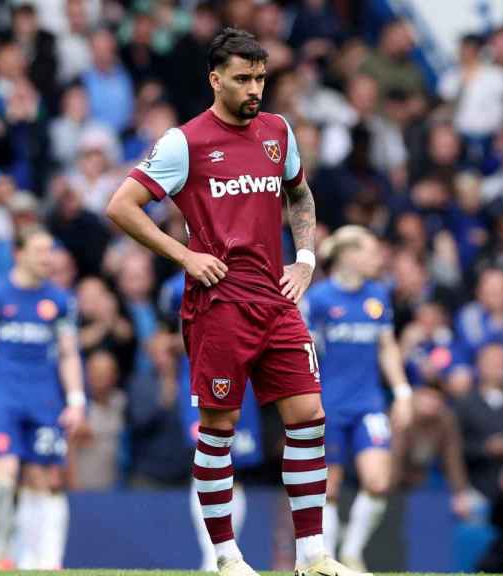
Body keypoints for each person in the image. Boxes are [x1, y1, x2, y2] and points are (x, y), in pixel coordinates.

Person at [105, 28, 362, 576]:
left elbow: (300, 192)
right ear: (215, 78)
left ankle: (313, 556)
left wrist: (307, 258)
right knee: (219, 430)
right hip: (218, 306)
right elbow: (121, 206)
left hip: (275, 298)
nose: (255, 89)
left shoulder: (277, 131)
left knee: (310, 418)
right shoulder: (185, 142)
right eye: (243, 78)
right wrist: (185, 256)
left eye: (261, 78)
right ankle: (225, 557)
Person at [0, 227, 86, 570]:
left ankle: (45, 561)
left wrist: (75, 399)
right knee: (2, 476)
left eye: (50, 251)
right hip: (2, 398)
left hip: (45, 399)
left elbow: (68, 353)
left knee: (45, 479)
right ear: (19, 254)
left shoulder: (59, 300)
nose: (48, 258)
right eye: (40, 251)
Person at [302, 225, 413, 571]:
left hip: (369, 404)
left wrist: (402, 392)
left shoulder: (377, 296)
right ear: (348, 255)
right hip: (328, 405)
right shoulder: (318, 300)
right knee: (329, 486)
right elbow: (302, 350)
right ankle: (328, 559)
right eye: (369, 251)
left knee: (379, 481)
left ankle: (352, 551)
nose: (377, 258)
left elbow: (387, 346)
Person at [158, 270, 265, 571]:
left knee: (237, 469)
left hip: (241, 379)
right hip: (197, 378)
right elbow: (164, 335)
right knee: (207, 457)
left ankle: (230, 553)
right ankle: (212, 555)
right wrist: (168, 376)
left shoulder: (250, 271)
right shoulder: (174, 286)